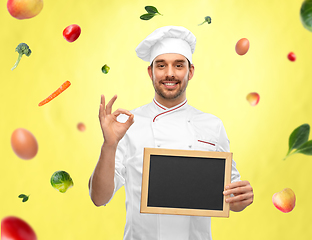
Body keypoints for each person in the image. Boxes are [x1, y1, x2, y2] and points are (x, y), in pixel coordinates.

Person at [89, 26, 254, 240]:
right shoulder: (127, 125)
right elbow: (99, 198)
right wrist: (109, 144)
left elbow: (230, 197)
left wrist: (241, 198)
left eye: (178, 65)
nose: (169, 73)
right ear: (151, 72)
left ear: (190, 71)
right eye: (161, 65)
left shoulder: (212, 125)